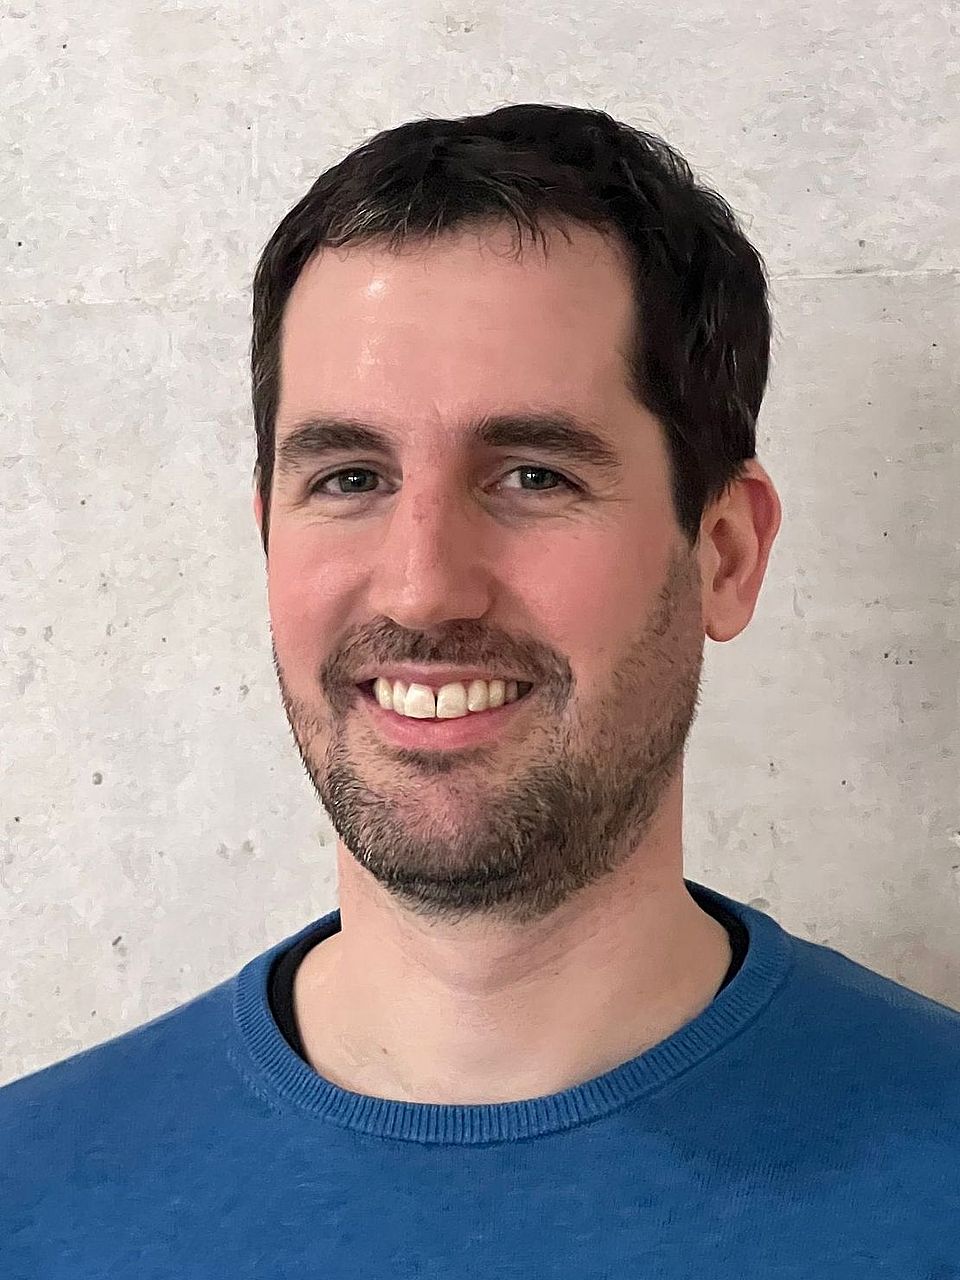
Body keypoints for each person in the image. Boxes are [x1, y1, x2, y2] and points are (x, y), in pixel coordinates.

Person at [3, 103, 957, 1276]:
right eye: (350, 477)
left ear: (723, 553)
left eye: (533, 475)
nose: (422, 586)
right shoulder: (29, 1198)